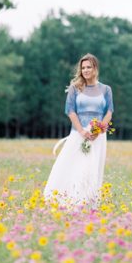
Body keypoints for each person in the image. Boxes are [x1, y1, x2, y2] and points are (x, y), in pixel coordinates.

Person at [43, 54, 113, 208]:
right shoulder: (75, 88)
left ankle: (88, 203)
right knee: (71, 166)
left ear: (95, 68)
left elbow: (109, 112)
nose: (86, 70)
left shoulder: (106, 89)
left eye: (89, 67)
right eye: (83, 68)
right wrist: (82, 131)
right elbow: (70, 111)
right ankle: (67, 201)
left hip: (97, 137)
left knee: (92, 169)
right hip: (78, 134)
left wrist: (99, 130)